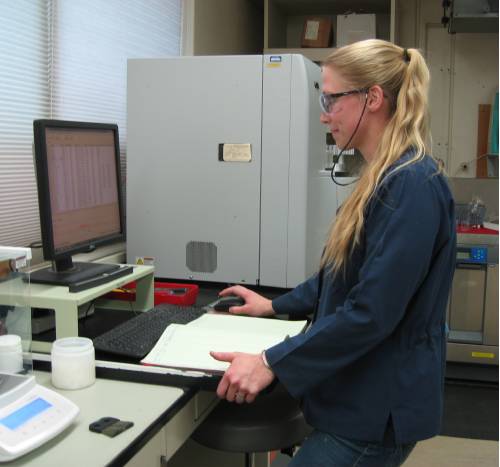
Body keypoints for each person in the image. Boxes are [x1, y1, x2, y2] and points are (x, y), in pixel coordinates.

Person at [209, 39, 456, 467]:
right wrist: (274, 304)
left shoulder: (411, 186)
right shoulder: (383, 175)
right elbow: (342, 277)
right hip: (357, 397)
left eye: (331, 98)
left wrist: (270, 362)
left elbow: (370, 312)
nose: (324, 114)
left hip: (375, 411)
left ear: (372, 98)